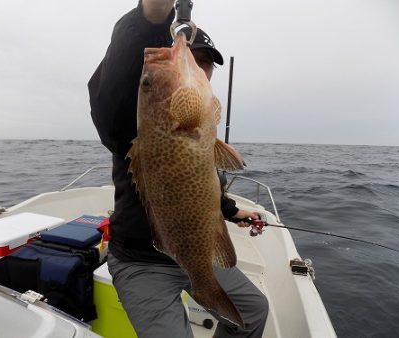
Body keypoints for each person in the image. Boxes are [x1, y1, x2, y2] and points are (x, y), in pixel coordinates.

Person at [88, 1, 269, 337]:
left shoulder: (199, 129)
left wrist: (230, 210)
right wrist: (153, 15)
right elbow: (110, 96)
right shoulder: (130, 123)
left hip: (193, 252)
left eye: (205, 63)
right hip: (139, 261)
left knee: (255, 311)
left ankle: (203, 284)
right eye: (193, 57)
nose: (198, 67)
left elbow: (195, 184)